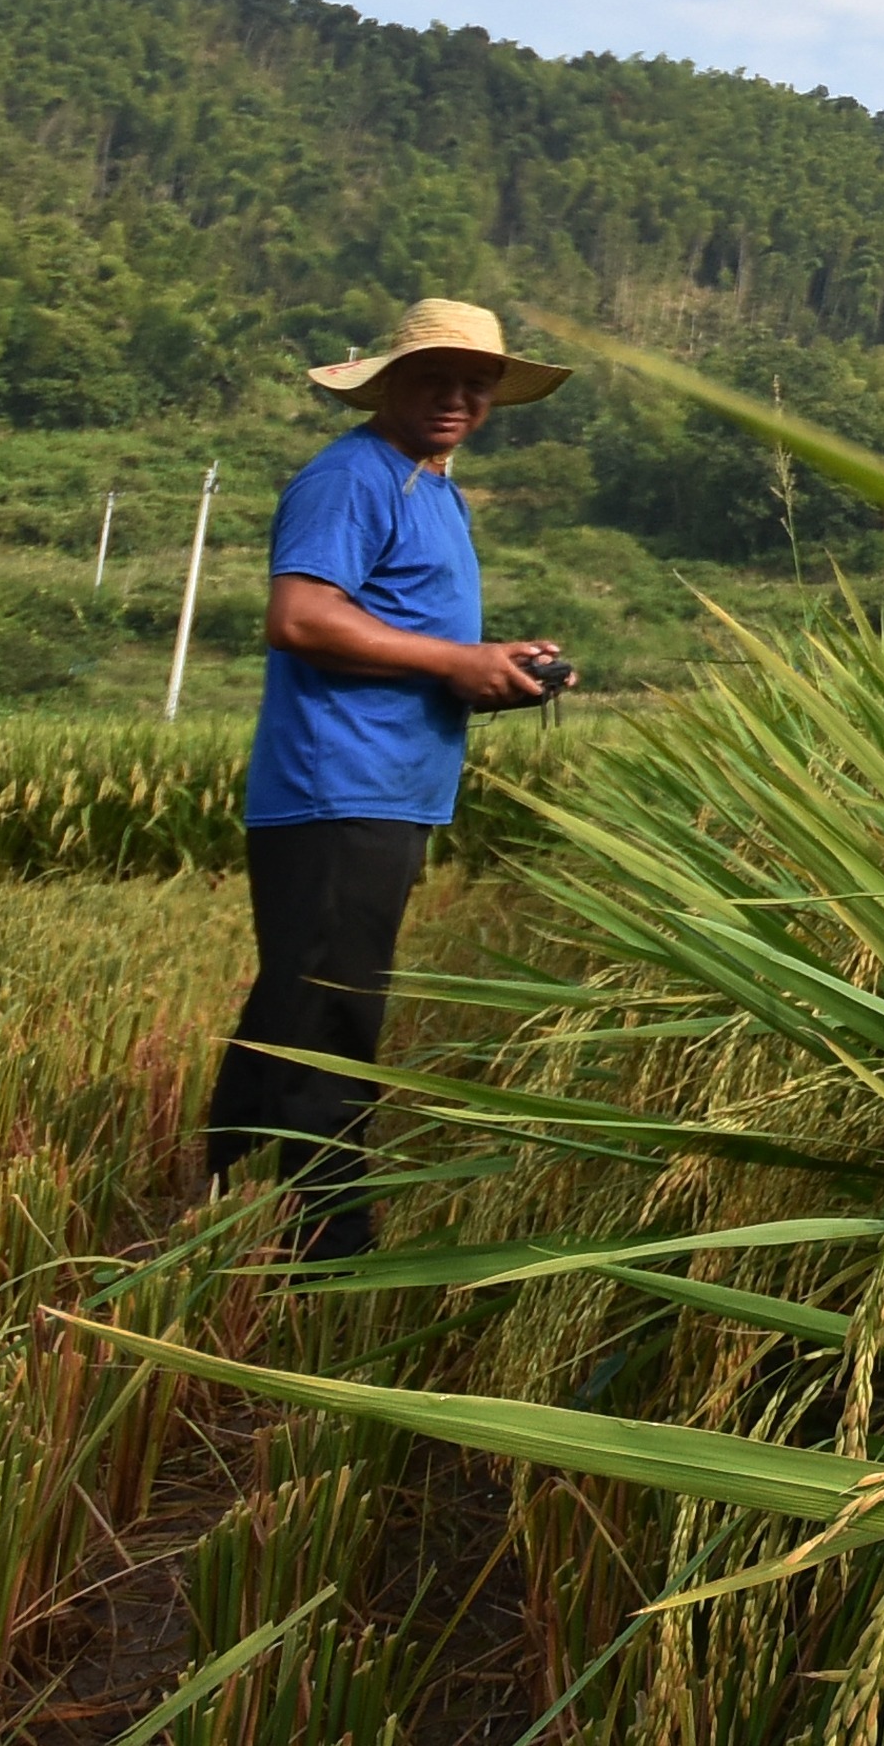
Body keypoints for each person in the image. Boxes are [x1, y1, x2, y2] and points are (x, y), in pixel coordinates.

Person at [203, 297, 575, 1257]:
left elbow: (405, 634)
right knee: (331, 1016)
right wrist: (457, 664)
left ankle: (218, 1186)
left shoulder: (430, 486)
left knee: (302, 992)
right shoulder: (351, 478)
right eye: (435, 380)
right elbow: (301, 619)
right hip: (338, 785)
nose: (457, 398)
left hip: (388, 785)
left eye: (477, 384)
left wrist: (494, 661)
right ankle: (328, 1256)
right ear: (388, 385)